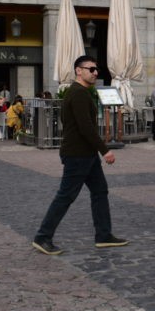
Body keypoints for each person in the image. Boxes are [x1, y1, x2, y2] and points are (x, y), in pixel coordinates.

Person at [32, 56, 129, 255]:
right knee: (66, 196)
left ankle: (103, 235)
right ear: (79, 70)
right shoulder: (78, 93)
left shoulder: (82, 92)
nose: (95, 73)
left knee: (100, 191)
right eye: (91, 69)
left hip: (87, 154)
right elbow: (86, 127)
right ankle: (43, 237)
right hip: (78, 154)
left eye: (96, 69)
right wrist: (105, 150)